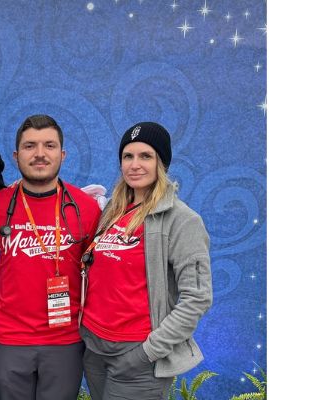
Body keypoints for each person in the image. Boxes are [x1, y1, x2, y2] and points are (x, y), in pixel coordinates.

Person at [79, 122, 213, 400]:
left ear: (161, 163)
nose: (135, 165)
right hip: (94, 349)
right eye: (128, 156)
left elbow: (197, 298)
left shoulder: (182, 220)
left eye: (145, 156)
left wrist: (145, 354)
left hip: (137, 357)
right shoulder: (112, 213)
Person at [0, 114, 101, 399]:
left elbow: (101, 275)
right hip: (10, 339)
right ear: (17, 155)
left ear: (62, 154)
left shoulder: (87, 207)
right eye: (30, 146)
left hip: (65, 340)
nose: (40, 154)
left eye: (49, 146)